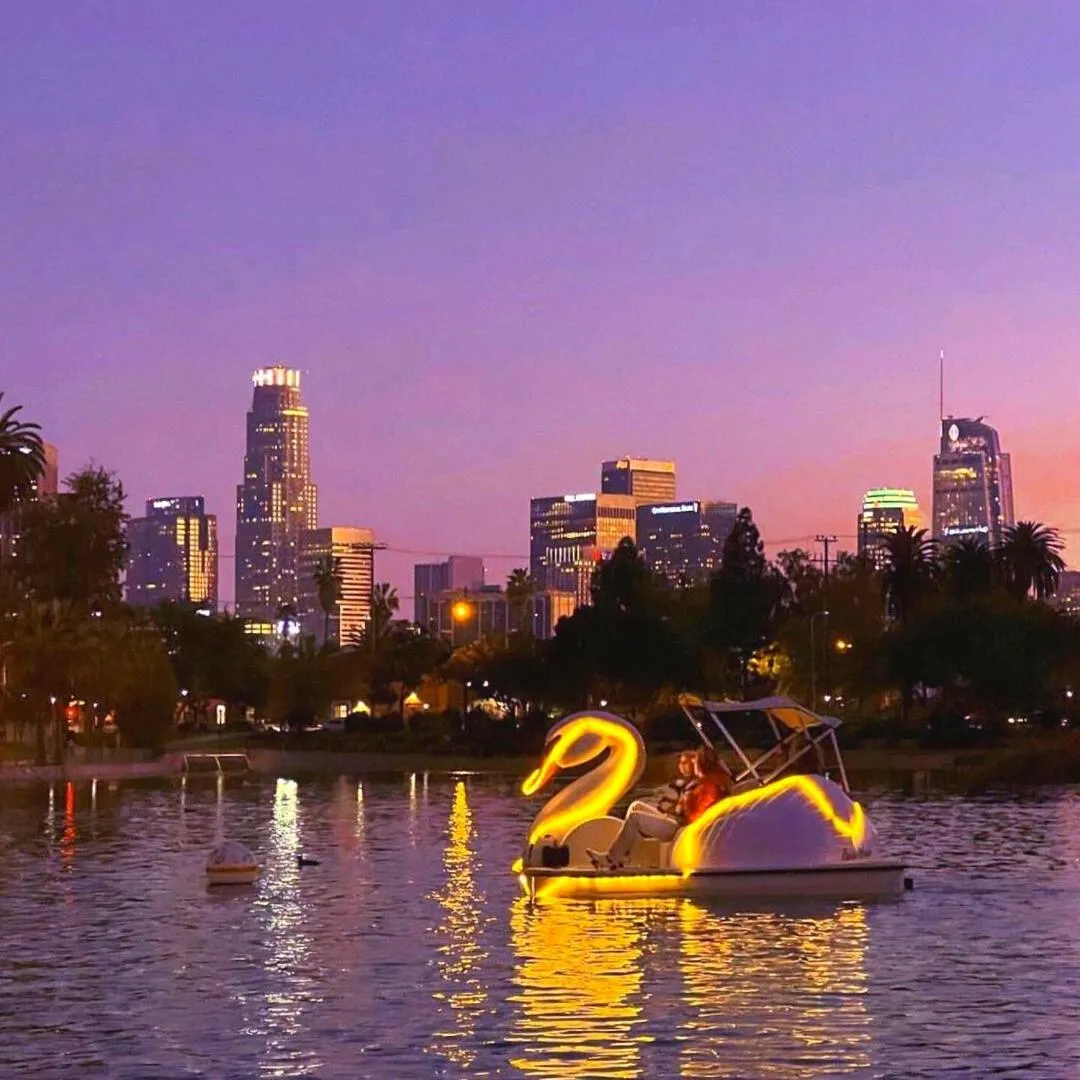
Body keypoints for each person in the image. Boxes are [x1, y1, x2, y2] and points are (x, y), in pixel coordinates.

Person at [588, 746, 733, 870]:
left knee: (635, 818)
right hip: (676, 821)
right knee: (635, 806)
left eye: (695, 761)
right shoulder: (707, 781)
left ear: (701, 764)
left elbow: (695, 817)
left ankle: (611, 860)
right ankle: (623, 857)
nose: (692, 765)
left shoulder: (709, 785)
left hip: (681, 829)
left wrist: (683, 803)